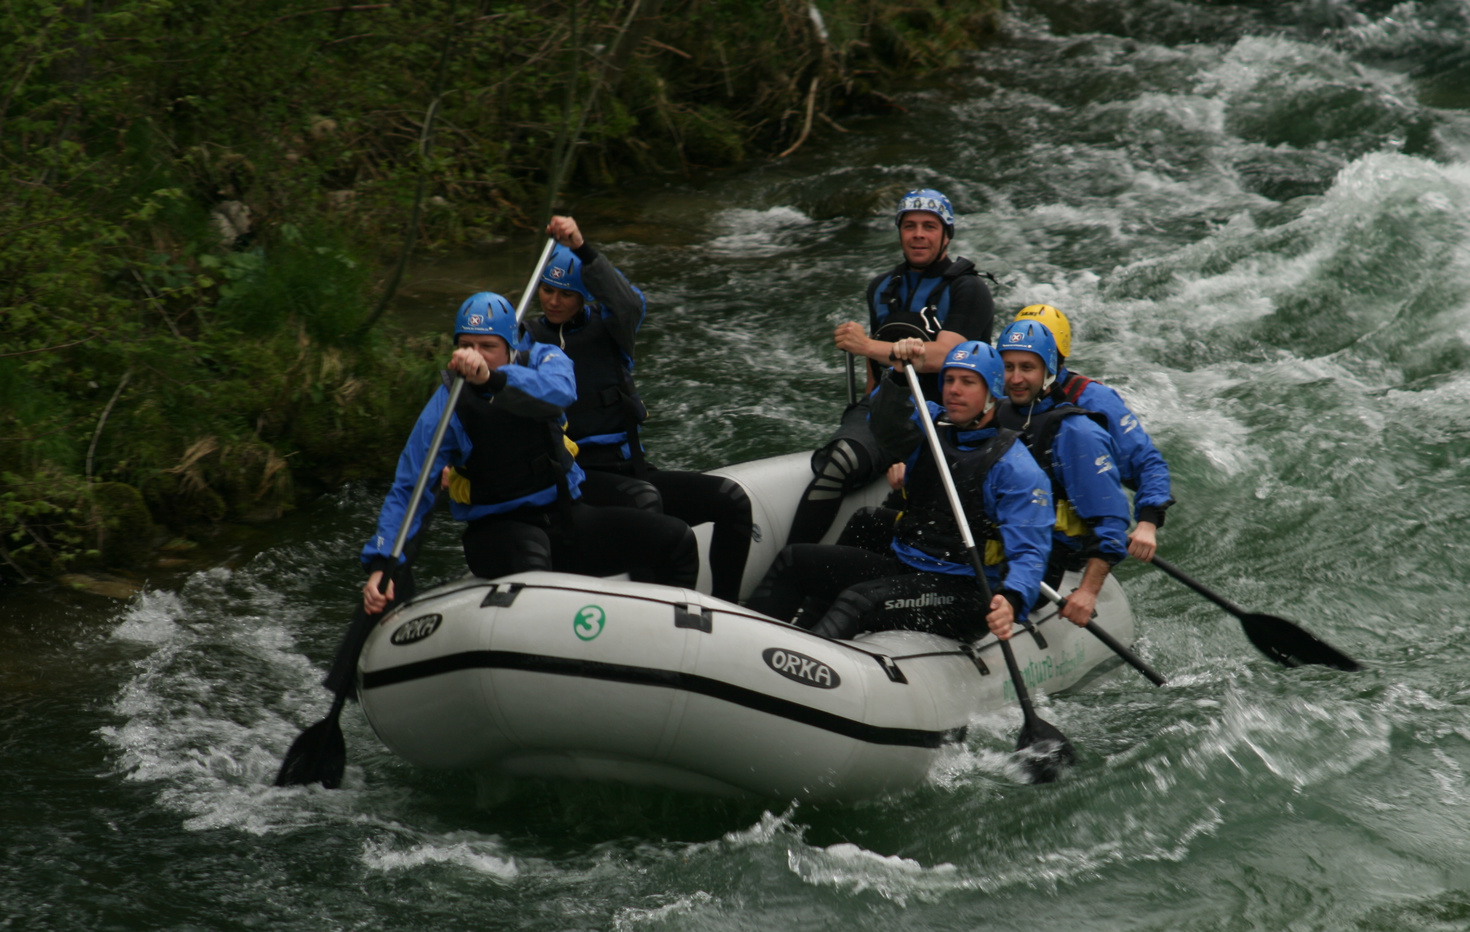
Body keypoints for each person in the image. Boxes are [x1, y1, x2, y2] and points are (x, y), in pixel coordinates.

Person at [360, 292, 699, 615]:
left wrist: (491, 379)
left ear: (511, 346)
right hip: (496, 533)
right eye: (466, 346)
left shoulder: (545, 359)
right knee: (534, 555)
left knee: (676, 539)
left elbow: (560, 393)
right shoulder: (445, 407)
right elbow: (409, 488)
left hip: (564, 517)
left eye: (487, 347)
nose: (474, 355)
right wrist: (381, 563)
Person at [748, 339, 1053, 642]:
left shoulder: (1015, 467)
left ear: (991, 392)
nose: (954, 389)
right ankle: (757, 646)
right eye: (949, 380)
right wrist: (897, 375)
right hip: (907, 567)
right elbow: (884, 425)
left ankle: (800, 665)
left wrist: (1012, 600)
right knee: (793, 560)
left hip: (965, 593)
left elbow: (1030, 551)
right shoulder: (931, 423)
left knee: (858, 600)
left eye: (968, 382)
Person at [523, 215, 754, 603]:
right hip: (577, 478)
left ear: (584, 296)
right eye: (546, 290)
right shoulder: (526, 339)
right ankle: (659, 615)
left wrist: (582, 247)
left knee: (732, 501)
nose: (552, 300)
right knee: (645, 501)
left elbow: (627, 300)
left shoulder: (614, 327)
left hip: (630, 466)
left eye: (564, 293)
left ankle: (728, 608)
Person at [786, 188, 996, 546]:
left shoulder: (969, 289)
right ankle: (791, 561)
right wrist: (868, 409)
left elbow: (947, 355)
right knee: (838, 462)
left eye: (929, 226)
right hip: (889, 409)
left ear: (946, 234)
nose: (918, 234)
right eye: (909, 225)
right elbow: (875, 368)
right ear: (899, 231)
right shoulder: (882, 287)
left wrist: (866, 345)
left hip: (944, 415)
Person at [993, 318, 1131, 626]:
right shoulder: (993, 414)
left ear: (1048, 371)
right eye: (1008, 367)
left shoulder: (1076, 432)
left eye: (1027, 368)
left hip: (1045, 558)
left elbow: (1111, 521)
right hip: (998, 540)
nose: (1015, 378)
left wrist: (1087, 592)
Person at [1009, 304, 1173, 562]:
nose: (1016, 376)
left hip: (1072, 543)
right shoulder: (1003, 392)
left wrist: (1147, 522)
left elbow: (1146, 463)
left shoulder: (1094, 400)